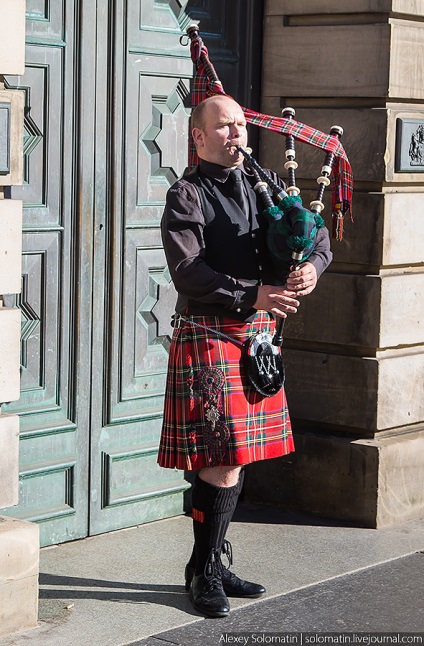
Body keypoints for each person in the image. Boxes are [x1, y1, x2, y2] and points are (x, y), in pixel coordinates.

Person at [157, 94, 332, 618]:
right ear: (199, 136)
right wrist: (252, 293)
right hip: (210, 331)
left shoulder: (266, 186)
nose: (236, 133)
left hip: (256, 338)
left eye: (239, 125)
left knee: (234, 460)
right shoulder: (186, 194)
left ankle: (208, 563)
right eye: (224, 127)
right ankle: (204, 574)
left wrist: (311, 270)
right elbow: (187, 271)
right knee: (223, 460)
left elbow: (317, 235)